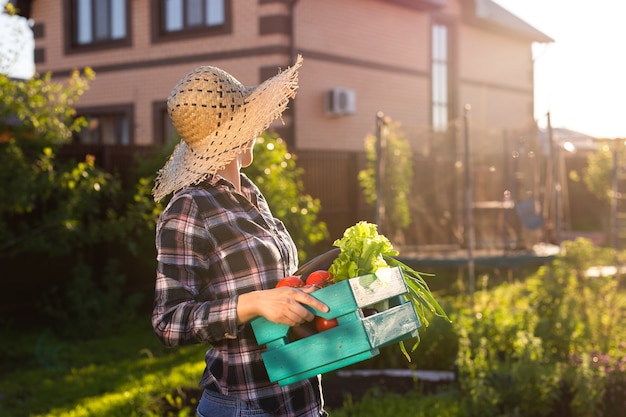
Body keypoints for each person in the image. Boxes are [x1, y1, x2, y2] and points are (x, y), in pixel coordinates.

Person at [151, 55, 330, 416]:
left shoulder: (250, 196)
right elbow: (168, 322)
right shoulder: (188, 208)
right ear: (238, 132)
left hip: (299, 399)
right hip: (246, 406)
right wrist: (251, 304)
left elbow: (276, 290)